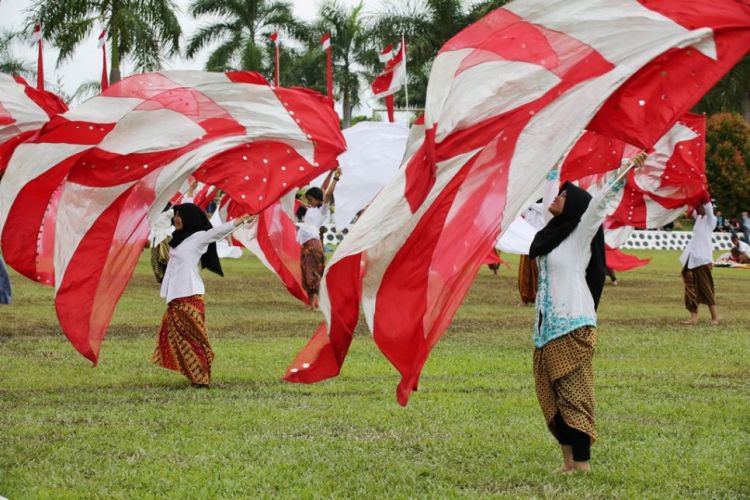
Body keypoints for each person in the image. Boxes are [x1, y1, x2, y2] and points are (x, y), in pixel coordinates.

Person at [528, 152, 647, 475]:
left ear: (575, 208)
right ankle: (568, 462)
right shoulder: (548, 234)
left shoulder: (580, 234)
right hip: (544, 329)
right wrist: (556, 155)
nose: (559, 197)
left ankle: (582, 463)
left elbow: (599, 203)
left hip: (573, 325)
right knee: (550, 397)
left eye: (566, 195)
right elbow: (550, 189)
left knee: (573, 394)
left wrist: (625, 171)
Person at [152, 203, 253, 387]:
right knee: (177, 337)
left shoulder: (197, 238)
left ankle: (201, 377)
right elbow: (161, 221)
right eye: (175, 216)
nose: (176, 219)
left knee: (195, 338)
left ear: (189, 218)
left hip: (190, 295)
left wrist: (237, 222)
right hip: (175, 297)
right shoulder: (177, 239)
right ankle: (195, 374)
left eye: (180, 216)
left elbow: (216, 233)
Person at [298, 167, 341, 310]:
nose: (308, 201)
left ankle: (318, 303)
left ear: (317, 200)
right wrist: (329, 172)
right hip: (305, 245)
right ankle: (311, 303)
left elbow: (327, 192)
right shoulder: (311, 209)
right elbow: (323, 187)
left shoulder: (322, 210)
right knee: (306, 271)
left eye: (310, 199)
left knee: (313, 272)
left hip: (313, 244)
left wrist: (335, 177)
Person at [680, 197, 719, 325]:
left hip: (703, 259)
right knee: (690, 287)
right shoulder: (700, 219)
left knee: (706, 287)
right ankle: (694, 317)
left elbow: (707, 207)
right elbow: (691, 207)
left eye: (700, 206)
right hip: (692, 258)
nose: (698, 208)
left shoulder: (711, 220)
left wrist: (703, 194)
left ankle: (714, 318)